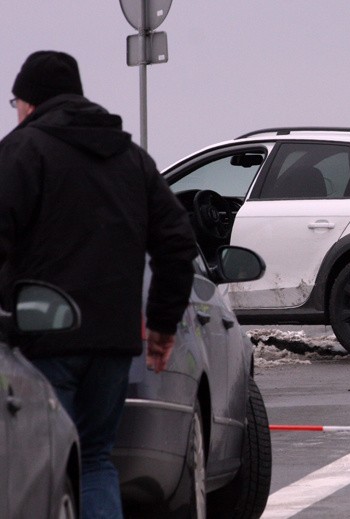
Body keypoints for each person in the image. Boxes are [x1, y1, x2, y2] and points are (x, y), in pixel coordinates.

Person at [0, 51, 197, 518]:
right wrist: (163, 326)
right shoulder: (131, 159)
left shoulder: (21, 152)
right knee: (94, 460)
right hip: (112, 344)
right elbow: (177, 242)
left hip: (41, 340)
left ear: (29, 102)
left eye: (16, 102)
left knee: (44, 464)